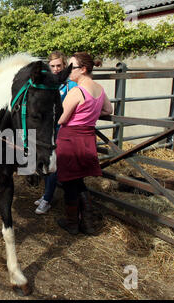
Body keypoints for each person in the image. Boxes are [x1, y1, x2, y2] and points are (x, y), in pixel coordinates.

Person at [55, 52, 113, 235]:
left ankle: (72, 223)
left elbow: (61, 119)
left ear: (83, 69)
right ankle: (87, 223)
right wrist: (90, 114)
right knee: (78, 181)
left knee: (70, 183)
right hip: (87, 138)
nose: (68, 71)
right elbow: (108, 110)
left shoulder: (76, 91)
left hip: (70, 138)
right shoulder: (99, 89)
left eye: (71, 67)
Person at [34, 51, 77, 215]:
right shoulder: (47, 83)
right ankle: (46, 194)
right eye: (53, 66)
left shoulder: (71, 86)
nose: (56, 69)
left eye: (59, 65)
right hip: (46, 130)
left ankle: (47, 199)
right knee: (45, 163)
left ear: (64, 66)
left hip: (61, 130)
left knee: (53, 165)